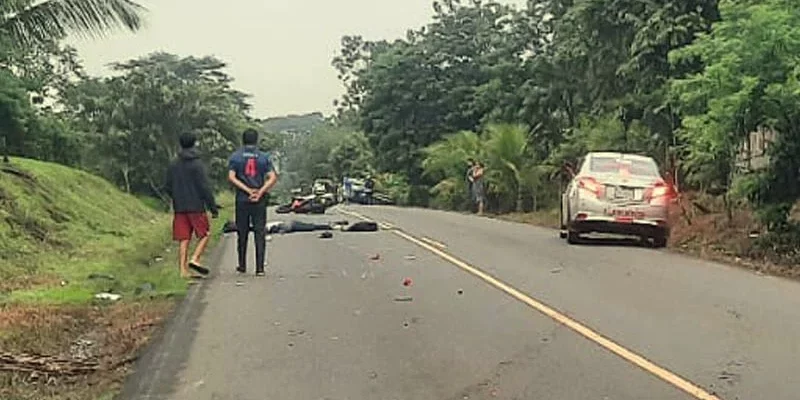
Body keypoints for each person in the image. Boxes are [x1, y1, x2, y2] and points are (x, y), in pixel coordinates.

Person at [164, 132, 220, 279]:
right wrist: (212, 207)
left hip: (180, 207)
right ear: (194, 143)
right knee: (204, 234)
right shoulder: (197, 164)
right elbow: (204, 187)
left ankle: (183, 270)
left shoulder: (173, 164)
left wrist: (176, 197)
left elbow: (168, 186)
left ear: (180, 144)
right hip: (196, 206)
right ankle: (195, 258)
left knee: (184, 238)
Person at [227, 128, 278, 276]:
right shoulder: (264, 157)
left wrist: (247, 190)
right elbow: (273, 177)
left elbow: (231, 177)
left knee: (242, 232)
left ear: (243, 140)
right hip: (259, 200)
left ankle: (242, 265)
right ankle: (260, 268)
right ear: (256, 140)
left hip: (242, 199)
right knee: (259, 232)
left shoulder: (235, 157)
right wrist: (260, 191)